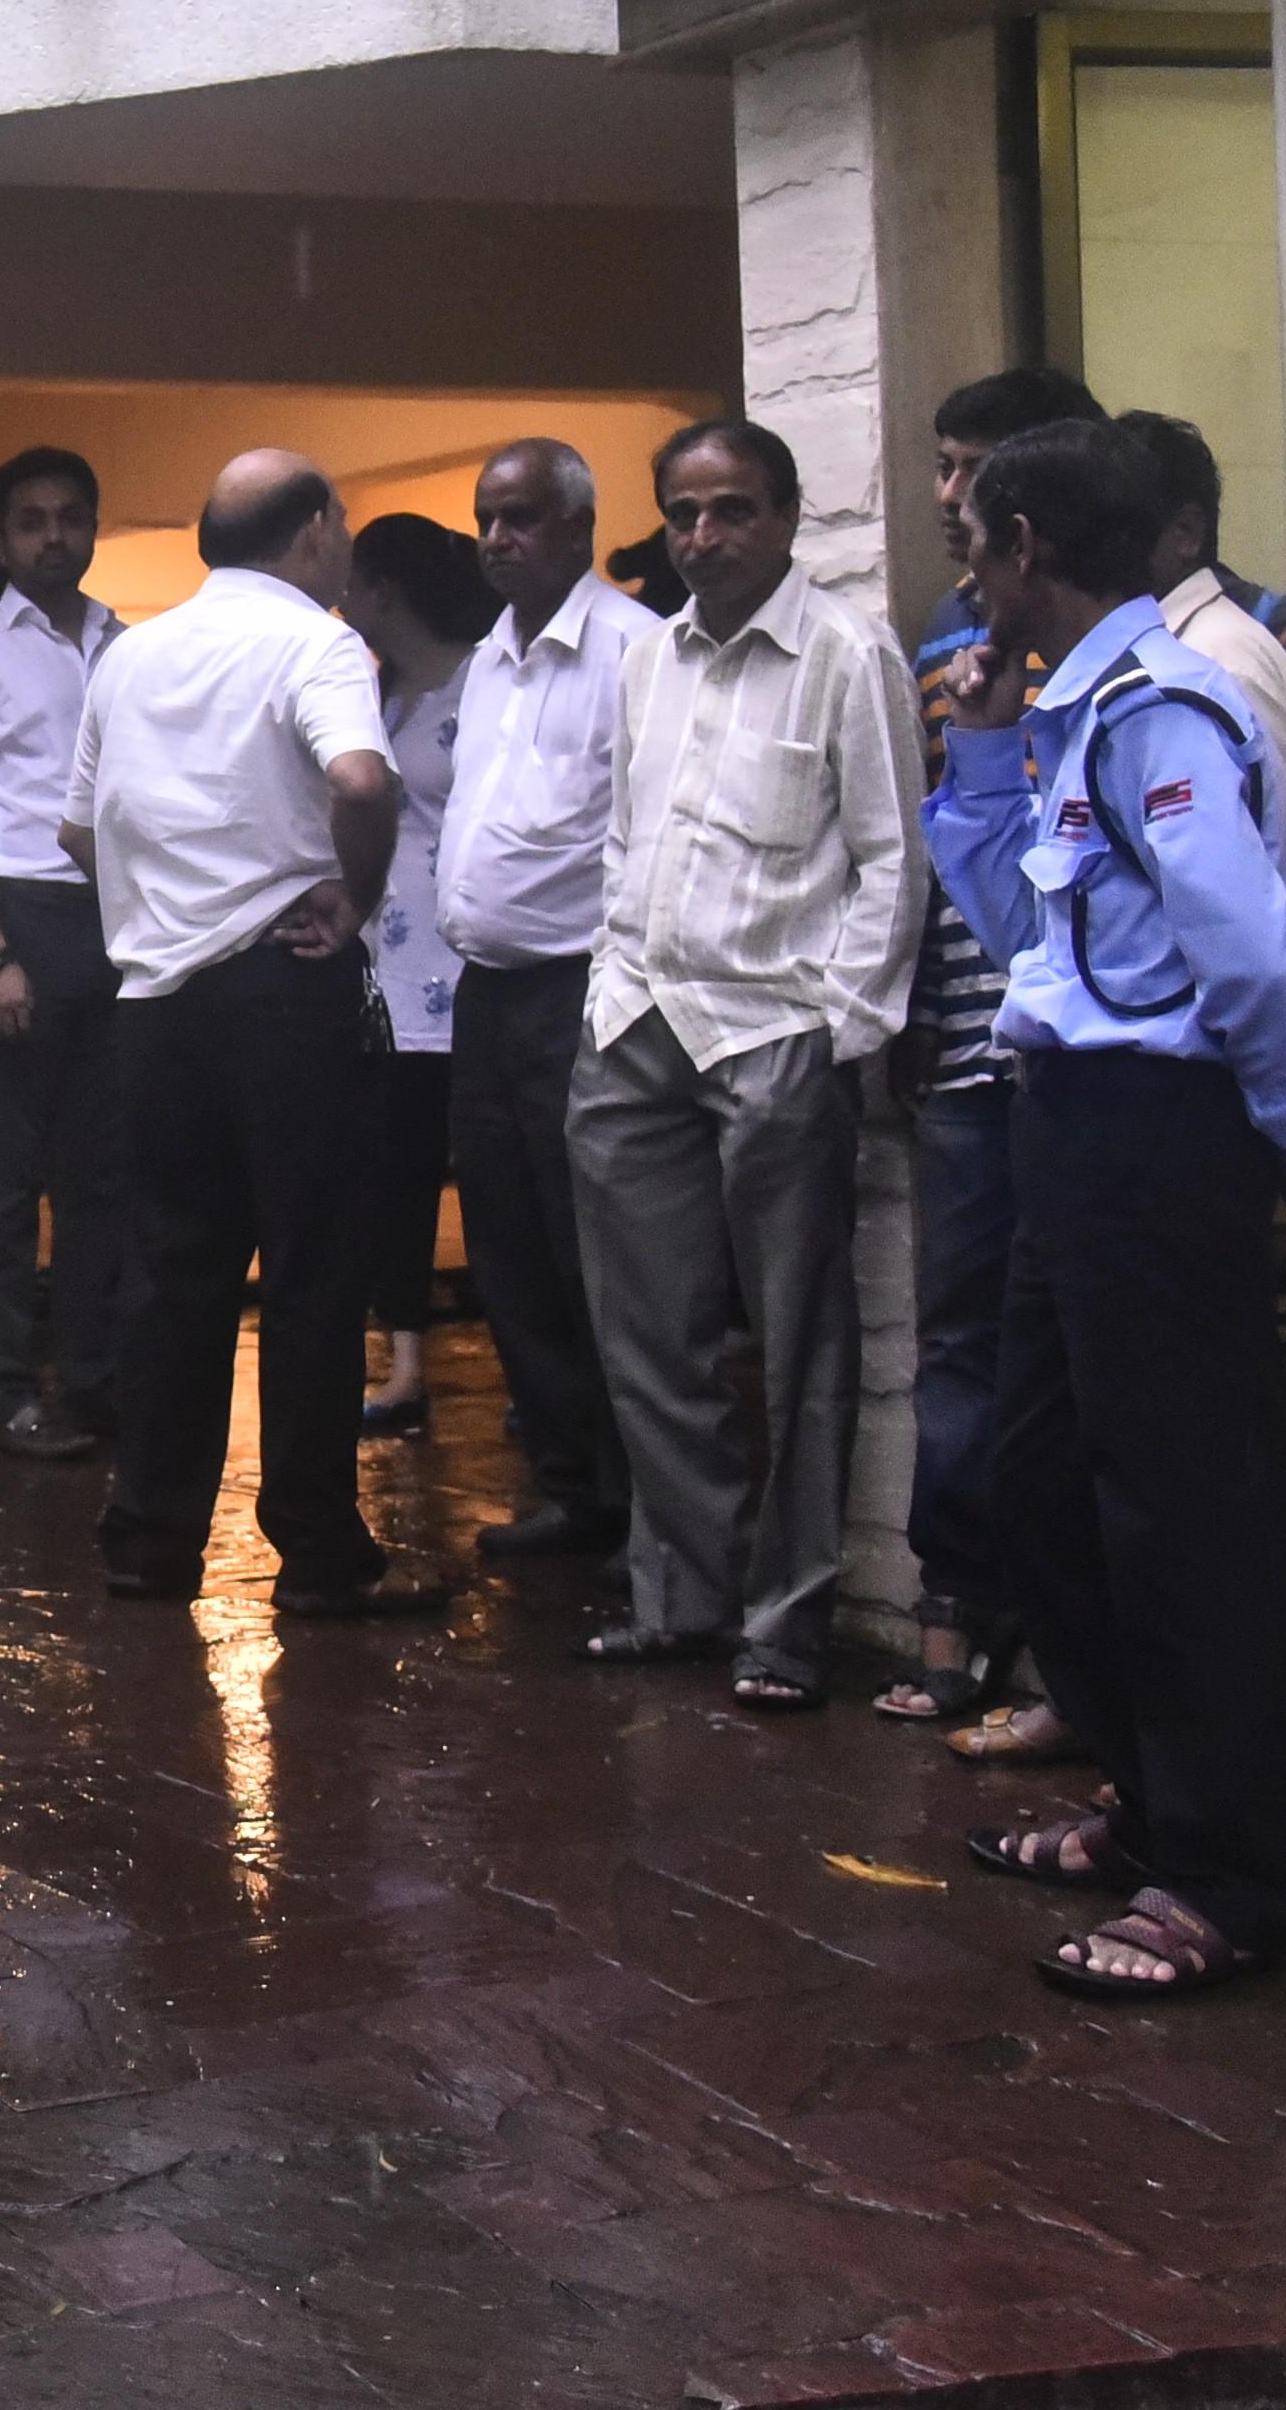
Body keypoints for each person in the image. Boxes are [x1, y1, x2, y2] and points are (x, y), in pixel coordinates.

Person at [928, 417, 1286, 1999]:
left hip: (1164, 1130)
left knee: (1187, 1513)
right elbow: (1019, 925)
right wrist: (972, 755)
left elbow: (1247, 954)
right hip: (1073, 1126)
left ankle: (1225, 1876)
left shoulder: (1166, 706)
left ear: (1030, 546)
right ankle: (1155, 1798)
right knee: (1041, 1483)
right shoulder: (1069, 709)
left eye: (975, 540)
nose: (963, 570)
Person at [572, 419, 917, 1709]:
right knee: (650, 1337)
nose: (704, 536)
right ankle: (683, 1597)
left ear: (785, 516)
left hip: (776, 1030)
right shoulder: (647, 659)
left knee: (799, 1343)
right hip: (637, 1026)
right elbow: (624, 837)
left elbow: (892, 859)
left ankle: (785, 1622)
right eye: (684, 513)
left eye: (732, 511)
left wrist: (846, 1028)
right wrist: (611, 985)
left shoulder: (844, 651)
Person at [71, 452, 444, 1617]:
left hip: (156, 1011)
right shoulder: (314, 640)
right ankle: (319, 1552)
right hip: (285, 991)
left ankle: (150, 1543)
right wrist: (356, 891)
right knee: (312, 1275)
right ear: (320, 531)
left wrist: (165, 900)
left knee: (170, 1277)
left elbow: (78, 828)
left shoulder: (129, 652)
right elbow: (362, 777)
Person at [890, 367, 1104, 1739]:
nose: (950, 495)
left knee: (1085, 1364)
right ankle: (961, 1610)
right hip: (969, 1046)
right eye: (943, 466)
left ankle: (1076, 1661)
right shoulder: (943, 642)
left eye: (973, 469)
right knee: (965, 1346)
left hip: (1090, 1057)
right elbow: (940, 844)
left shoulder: (1160, 647)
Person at [433, 442, 663, 1559]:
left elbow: (652, 831)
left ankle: (641, 1503)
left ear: (578, 528)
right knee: (510, 1250)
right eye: (485, 518)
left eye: (519, 519)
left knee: (598, 1256)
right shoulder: (489, 659)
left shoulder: (634, 649)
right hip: (489, 993)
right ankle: (573, 1484)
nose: (495, 539)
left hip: (585, 986)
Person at [0, 446, 126, 1458]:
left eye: (71, 517)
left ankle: (93, 1376)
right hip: (13, 921)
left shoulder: (124, 645)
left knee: (98, 1172)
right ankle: (3, 1385)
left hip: (114, 923)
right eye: (34, 520)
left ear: (94, 527)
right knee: (3, 1174)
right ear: (2, 538)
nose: (56, 536)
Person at [340, 512, 497, 1436]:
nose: (343, 598)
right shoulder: (378, 692)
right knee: (390, 1171)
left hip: (468, 953)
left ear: (386, 592)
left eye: (356, 581)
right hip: (387, 962)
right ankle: (402, 1364)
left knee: (493, 1174)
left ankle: (532, 1359)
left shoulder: (483, 681)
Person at [1114, 410, 1286, 773]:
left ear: (1185, 533)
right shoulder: (1159, 646)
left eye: (1107, 524)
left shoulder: (1220, 658)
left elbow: (1260, 826)